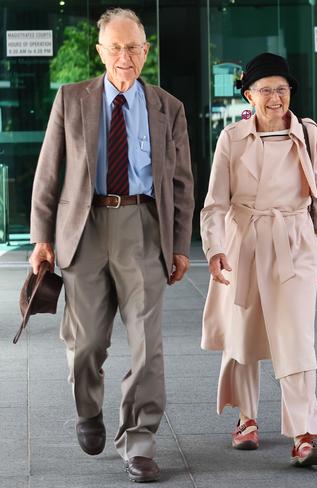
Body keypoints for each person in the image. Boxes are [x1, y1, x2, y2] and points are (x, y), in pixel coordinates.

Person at [29, 8, 194, 482]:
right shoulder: (71, 99)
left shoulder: (169, 107)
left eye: (134, 47)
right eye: (115, 47)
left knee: (147, 345)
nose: (125, 56)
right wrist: (42, 238)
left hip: (144, 226)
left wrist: (180, 243)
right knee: (85, 344)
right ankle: (88, 409)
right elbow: (48, 172)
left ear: (146, 51)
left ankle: (139, 441)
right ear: (100, 52)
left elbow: (181, 183)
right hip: (83, 228)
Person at [200, 52, 317, 467]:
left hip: (295, 240)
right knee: (244, 332)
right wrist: (214, 249)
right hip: (243, 239)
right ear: (249, 95)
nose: (275, 98)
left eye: (282, 89)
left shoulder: (310, 135)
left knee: (296, 336)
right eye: (265, 90)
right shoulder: (231, 138)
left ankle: (304, 433)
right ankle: (247, 419)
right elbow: (214, 204)